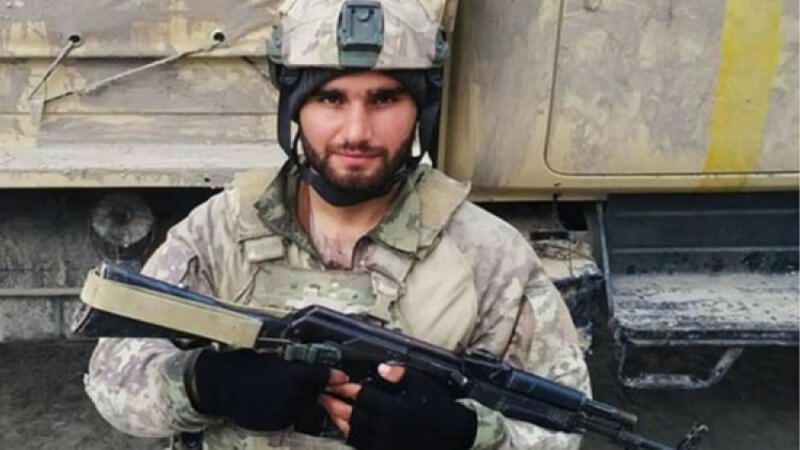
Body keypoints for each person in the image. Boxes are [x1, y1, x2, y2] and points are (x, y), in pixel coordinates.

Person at [84, 1, 590, 449]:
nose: (356, 131)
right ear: (294, 107)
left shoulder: (488, 254)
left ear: (422, 110)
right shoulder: (221, 229)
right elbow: (111, 380)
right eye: (330, 98)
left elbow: (563, 424)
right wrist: (201, 384)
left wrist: (467, 433)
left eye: (385, 99)